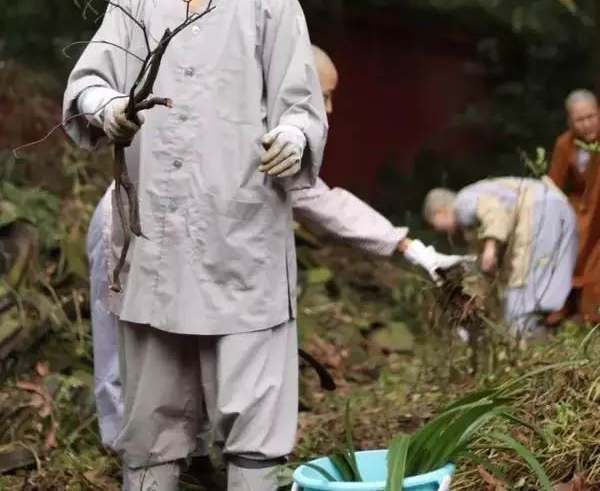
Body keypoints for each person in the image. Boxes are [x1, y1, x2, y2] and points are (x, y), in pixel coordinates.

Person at [86, 44, 472, 487]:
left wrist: (412, 249)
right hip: (133, 226)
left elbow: (324, 202)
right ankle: (131, 458)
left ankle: (191, 458)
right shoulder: (235, 113)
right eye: (325, 94)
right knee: (126, 345)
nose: (329, 107)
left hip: (193, 249)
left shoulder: (280, 134)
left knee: (193, 344)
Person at [63, 0, 329, 491]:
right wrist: (111, 108)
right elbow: (91, 81)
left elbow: (303, 104)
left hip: (241, 234)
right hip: (153, 233)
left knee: (253, 417)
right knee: (151, 419)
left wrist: (294, 135)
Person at [422, 175, 578, 342]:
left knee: (520, 299)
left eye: (434, 223)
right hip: (560, 209)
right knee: (542, 290)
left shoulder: (462, 203)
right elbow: (485, 265)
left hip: (538, 212)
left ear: (440, 211)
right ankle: (550, 340)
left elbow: (495, 212)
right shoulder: (472, 221)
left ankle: (532, 349)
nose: (439, 231)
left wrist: (491, 248)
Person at [547, 89, 600, 324]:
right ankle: (564, 305)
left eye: (592, 116)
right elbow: (554, 184)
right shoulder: (565, 144)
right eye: (581, 119)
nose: (588, 124)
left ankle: (590, 314)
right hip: (581, 206)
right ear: (570, 122)